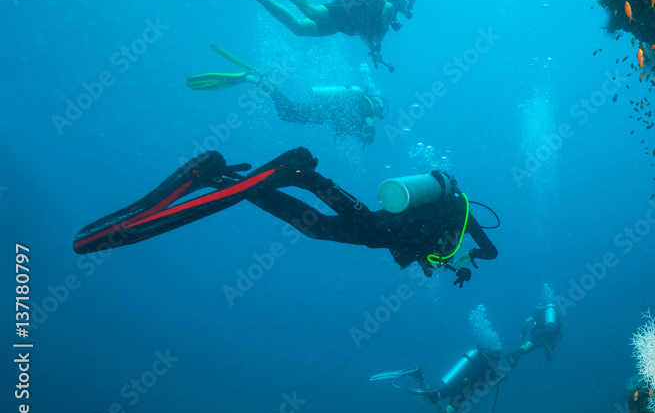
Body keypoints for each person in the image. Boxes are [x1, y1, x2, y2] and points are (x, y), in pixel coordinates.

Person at [72, 147, 497, 286]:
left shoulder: (453, 212)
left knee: (321, 231)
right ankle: (306, 176)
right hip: (383, 229)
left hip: (385, 231)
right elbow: (491, 250)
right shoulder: (461, 210)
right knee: (361, 224)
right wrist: (471, 259)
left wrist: (455, 259)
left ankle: (224, 182)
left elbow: (433, 254)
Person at [177, 0, 414, 71]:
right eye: (408, 5)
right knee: (311, 11)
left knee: (299, 28)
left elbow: (369, 30)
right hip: (351, 11)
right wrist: (385, 23)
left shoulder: (390, 4)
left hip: (348, 23)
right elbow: (388, 10)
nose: (407, 9)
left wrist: (375, 42)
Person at [186, 45, 388, 145]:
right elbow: (370, 123)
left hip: (319, 113)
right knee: (288, 111)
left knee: (286, 113)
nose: (378, 112)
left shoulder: (360, 108)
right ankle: (257, 80)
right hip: (320, 110)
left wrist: (361, 138)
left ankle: (262, 82)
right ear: (377, 104)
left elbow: (348, 125)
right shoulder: (367, 105)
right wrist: (371, 135)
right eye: (380, 109)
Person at [370, 347, 506, 413]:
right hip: (464, 389)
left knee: (428, 400)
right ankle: (433, 395)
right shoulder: (492, 368)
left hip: (457, 380)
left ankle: (418, 376)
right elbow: (492, 384)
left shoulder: (480, 357)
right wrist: (501, 378)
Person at [505, 303, 562, 367]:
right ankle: (547, 346)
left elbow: (527, 321)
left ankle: (513, 356)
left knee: (526, 347)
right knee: (548, 358)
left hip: (540, 332)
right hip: (551, 335)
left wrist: (523, 332)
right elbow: (560, 334)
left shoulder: (540, 313)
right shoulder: (556, 316)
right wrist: (553, 340)